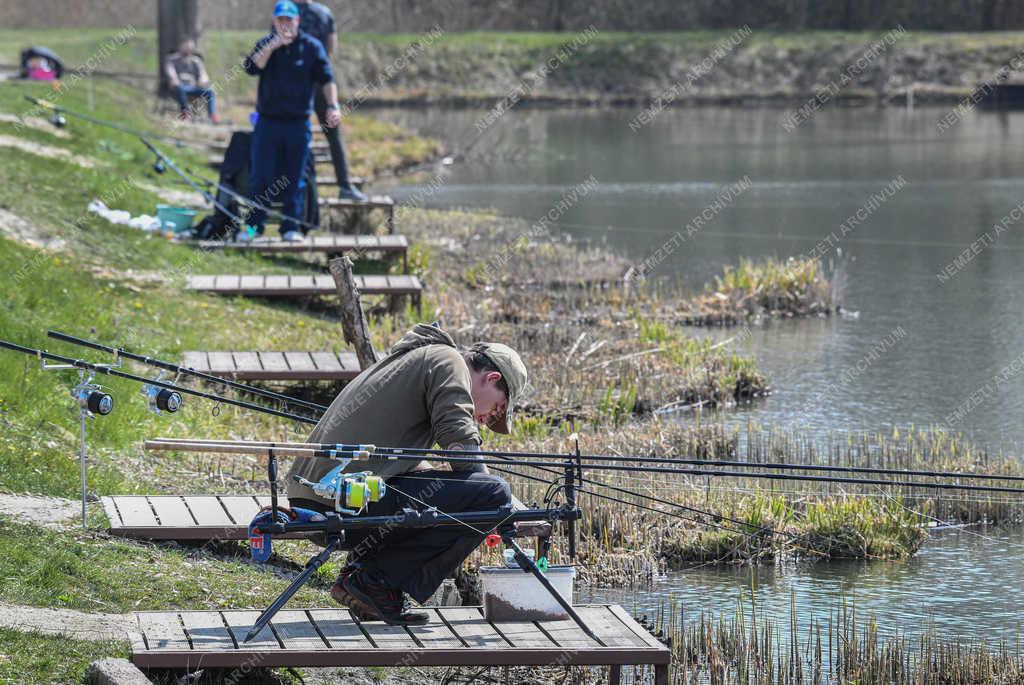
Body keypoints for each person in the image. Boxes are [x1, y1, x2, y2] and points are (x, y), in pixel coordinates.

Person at [286, 323, 528, 625]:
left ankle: (360, 573)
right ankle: (376, 581)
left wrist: (511, 507)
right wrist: (507, 509)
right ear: (492, 378)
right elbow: (460, 444)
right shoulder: (449, 362)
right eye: (496, 409)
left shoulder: (419, 359)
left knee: (480, 493)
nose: (486, 419)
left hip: (316, 496)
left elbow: (410, 466)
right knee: (493, 495)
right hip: (337, 499)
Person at [243, 0, 340, 242]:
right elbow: (253, 67)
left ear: (297, 21)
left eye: (289, 20)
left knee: (295, 178)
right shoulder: (265, 43)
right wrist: (274, 45)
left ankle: (290, 228)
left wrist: (333, 106)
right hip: (268, 123)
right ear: (274, 21)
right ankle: (253, 229)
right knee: (260, 178)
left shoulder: (311, 47)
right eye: (280, 20)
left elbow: (327, 79)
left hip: (298, 124)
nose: (285, 24)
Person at [292, 0, 367, 202]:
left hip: (292, 83)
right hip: (320, 82)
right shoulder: (324, 13)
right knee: (334, 135)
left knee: (292, 133)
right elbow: (331, 48)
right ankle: (345, 186)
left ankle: (291, 188)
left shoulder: (285, 10)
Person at [164, 38, 219, 123]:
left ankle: (212, 116)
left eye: (190, 47)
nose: (188, 49)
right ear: (180, 46)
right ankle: (185, 114)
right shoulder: (172, 59)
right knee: (180, 89)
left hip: (193, 87)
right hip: (178, 87)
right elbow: (170, 72)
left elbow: (204, 75)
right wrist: (174, 79)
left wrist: (202, 80)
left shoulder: (195, 61)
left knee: (210, 92)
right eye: (186, 47)